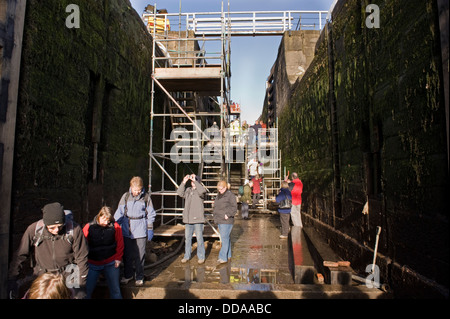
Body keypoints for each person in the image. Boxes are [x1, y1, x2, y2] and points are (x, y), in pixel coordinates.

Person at [8, 202, 89, 299]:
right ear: (45, 224)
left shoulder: (74, 230)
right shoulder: (34, 230)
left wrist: (80, 285)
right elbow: (20, 255)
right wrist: (12, 278)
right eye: (52, 228)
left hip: (68, 274)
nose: (56, 230)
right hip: (43, 274)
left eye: (60, 226)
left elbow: (82, 258)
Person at [114, 176, 156, 286]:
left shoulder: (146, 198)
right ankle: (128, 275)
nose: (137, 192)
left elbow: (151, 214)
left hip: (141, 229)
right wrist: (115, 225)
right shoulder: (126, 197)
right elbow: (119, 211)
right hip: (127, 229)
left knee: (140, 255)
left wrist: (150, 228)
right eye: (135, 190)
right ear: (131, 188)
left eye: (139, 190)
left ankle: (139, 276)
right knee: (127, 255)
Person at [83, 206, 124, 299]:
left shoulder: (115, 226)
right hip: (93, 263)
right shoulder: (89, 227)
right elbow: (82, 245)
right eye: (104, 220)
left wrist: (118, 258)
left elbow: (120, 243)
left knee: (115, 290)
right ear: (99, 216)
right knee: (86, 290)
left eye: (108, 221)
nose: (106, 223)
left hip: (111, 262)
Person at [177, 174, 207, 264]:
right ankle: (187, 256)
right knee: (188, 239)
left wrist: (196, 182)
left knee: (199, 239)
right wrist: (184, 182)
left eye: (194, 180)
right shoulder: (188, 190)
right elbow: (179, 193)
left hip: (198, 219)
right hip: (188, 220)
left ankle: (201, 256)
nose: (192, 182)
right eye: (192, 180)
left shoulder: (200, 190)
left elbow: (202, 191)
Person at [213, 180, 237, 263]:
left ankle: (223, 257)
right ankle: (228, 255)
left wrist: (228, 214)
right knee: (226, 238)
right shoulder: (219, 195)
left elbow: (234, 207)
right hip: (220, 219)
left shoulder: (230, 195)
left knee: (224, 239)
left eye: (221, 189)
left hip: (226, 220)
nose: (220, 191)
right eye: (219, 189)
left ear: (225, 187)